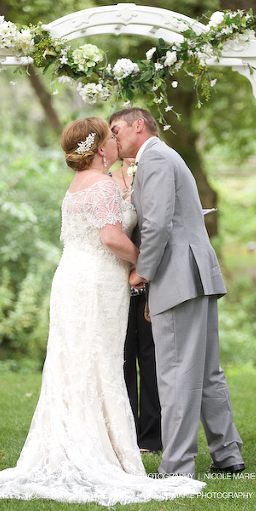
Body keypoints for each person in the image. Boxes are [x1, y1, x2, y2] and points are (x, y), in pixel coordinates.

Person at [0, 118, 204, 505]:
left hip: (71, 278)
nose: (115, 142)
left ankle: (77, 441)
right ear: (99, 149)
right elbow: (111, 237)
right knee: (99, 362)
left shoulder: (79, 184)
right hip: (96, 281)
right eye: (110, 138)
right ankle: (99, 449)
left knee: (76, 363)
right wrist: (143, 263)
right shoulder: (103, 186)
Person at [109, 107, 244, 478]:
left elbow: (156, 226)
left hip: (178, 277)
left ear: (139, 125)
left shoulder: (154, 159)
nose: (113, 138)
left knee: (176, 375)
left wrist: (143, 273)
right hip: (196, 276)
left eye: (117, 130)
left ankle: (177, 466)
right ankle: (227, 455)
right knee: (206, 372)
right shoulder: (165, 156)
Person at [110, 158, 163, 454]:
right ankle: (127, 432)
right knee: (123, 357)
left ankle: (153, 435)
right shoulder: (106, 181)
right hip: (117, 278)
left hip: (151, 275)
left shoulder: (155, 175)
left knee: (152, 357)